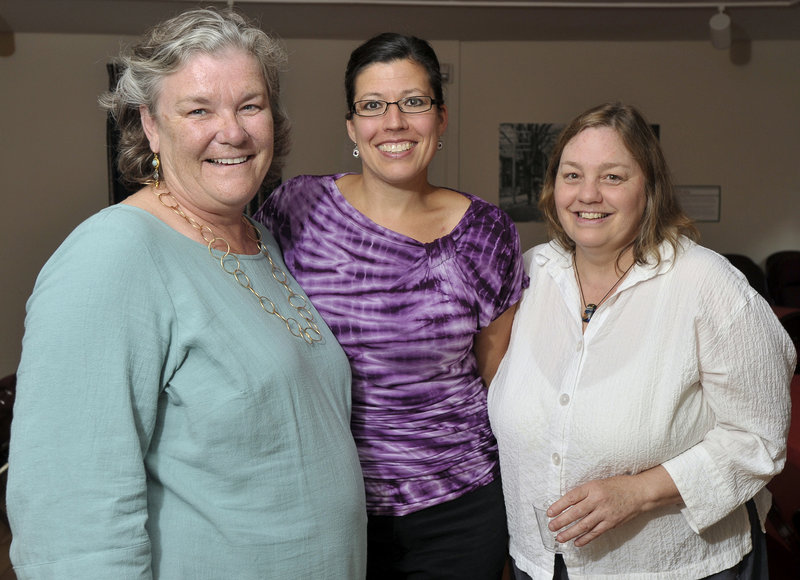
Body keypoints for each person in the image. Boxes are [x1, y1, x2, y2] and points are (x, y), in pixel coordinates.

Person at [7, 8, 366, 579]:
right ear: (150, 124)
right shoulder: (112, 256)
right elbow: (70, 521)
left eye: (250, 105)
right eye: (199, 109)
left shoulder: (260, 239)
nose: (234, 131)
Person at [255, 32, 528, 579]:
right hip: (325, 502)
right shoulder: (297, 208)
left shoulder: (487, 232)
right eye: (374, 106)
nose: (395, 122)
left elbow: (497, 376)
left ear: (441, 118)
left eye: (414, 102)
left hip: (458, 506)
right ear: (353, 126)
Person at [488, 102, 796, 579]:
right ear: (553, 187)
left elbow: (758, 439)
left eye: (613, 177)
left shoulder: (706, 283)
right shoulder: (531, 273)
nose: (587, 194)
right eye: (572, 175)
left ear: (650, 189)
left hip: (672, 565)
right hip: (543, 563)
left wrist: (638, 492)